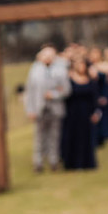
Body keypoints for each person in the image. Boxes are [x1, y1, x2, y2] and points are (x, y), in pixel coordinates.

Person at [24, 45, 70, 174]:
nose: (48, 58)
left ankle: (53, 161)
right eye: (45, 56)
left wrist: (54, 94)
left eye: (50, 56)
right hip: (40, 108)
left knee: (54, 136)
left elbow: (66, 89)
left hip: (55, 108)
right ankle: (38, 162)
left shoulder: (60, 70)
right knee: (39, 137)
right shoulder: (35, 70)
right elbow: (30, 92)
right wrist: (30, 110)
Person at [60, 55, 99, 171]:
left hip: (86, 113)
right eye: (78, 64)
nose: (81, 67)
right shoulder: (69, 80)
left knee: (86, 137)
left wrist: (96, 112)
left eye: (82, 64)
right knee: (73, 137)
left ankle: (87, 162)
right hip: (73, 113)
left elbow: (94, 98)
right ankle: (73, 163)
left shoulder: (90, 80)